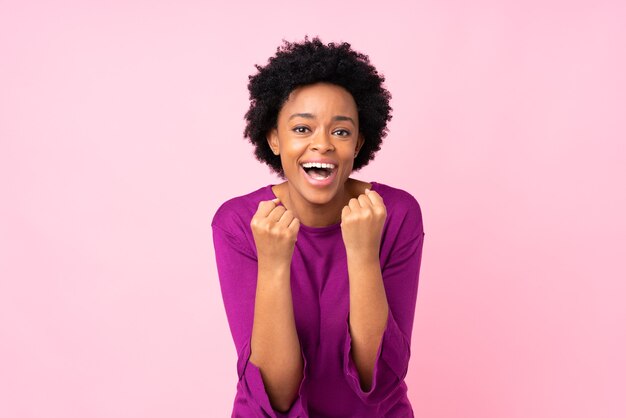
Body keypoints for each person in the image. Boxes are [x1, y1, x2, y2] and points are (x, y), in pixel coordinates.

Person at [211, 35, 425, 417]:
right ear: (274, 138)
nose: (322, 144)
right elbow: (276, 394)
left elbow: (379, 378)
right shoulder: (239, 224)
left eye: (340, 131)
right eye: (302, 129)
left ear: (359, 142)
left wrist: (361, 254)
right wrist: (275, 264)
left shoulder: (395, 214)